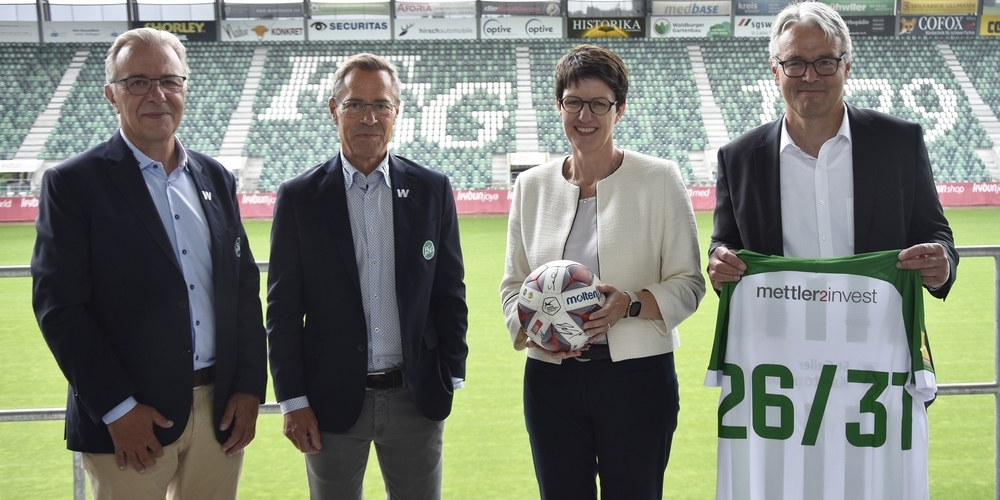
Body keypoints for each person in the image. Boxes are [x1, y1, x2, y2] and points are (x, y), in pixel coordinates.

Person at [706, 3, 956, 499]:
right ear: (775, 71)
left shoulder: (899, 142)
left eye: (825, 61)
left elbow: (938, 236)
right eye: (795, 62)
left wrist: (940, 264)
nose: (810, 75)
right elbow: (725, 247)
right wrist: (719, 262)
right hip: (780, 377)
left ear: (847, 64)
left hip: (876, 369)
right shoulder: (739, 157)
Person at [31, 27, 267, 500]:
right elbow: (61, 308)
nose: (156, 94)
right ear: (110, 95)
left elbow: (241, 287)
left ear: (185, 89)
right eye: (137, 82)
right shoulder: (74, 183)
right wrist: (118, 410)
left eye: (169, 81)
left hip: (219, 410)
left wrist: (248, 387)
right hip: (132, 420)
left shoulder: (215, 177)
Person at [499, 44, 706, 499]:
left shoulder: (660, 179)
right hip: (551, 379)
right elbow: (514, 284)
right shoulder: (530, 186)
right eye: (573, 102)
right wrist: (529, 326)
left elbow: (689, 284)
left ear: (620, 110)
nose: (585, 115)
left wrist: (629, 305)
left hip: (637, 379)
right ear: (559, 106)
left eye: (599, 103)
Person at [266, 53, 469, 500]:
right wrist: (293, 400)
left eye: (381, 105)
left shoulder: (431, 188)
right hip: (330, 401)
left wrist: (452, 369)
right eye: (355, 104)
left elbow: (449, 288)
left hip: (415, 398)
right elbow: (282, 310)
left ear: (397, 112)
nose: (369, 117)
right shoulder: (299, 197)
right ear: (333, 109)